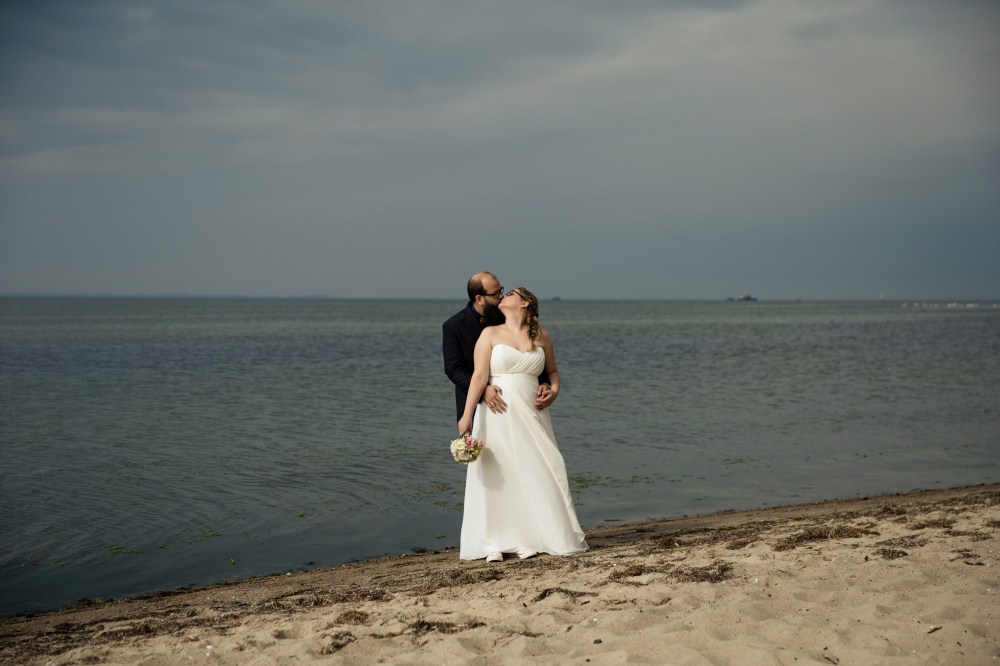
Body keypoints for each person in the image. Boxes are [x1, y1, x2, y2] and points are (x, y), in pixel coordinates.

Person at [456, 287, 588, 562]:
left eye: (511, 292)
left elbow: (552, 372)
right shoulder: (490, 334)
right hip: (498, 413)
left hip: (532, 413)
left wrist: (553, 391)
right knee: (498, 472)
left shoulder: (542, 336)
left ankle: (526, 537)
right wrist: (467, 416)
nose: (503, 295)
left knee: (537, 467)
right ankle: (493, 542)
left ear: (524, 302)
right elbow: (479, 377)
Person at [442, 272, 553, 423]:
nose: (501, 296)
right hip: (475, 404)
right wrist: (484, 390)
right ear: (479, 299)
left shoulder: (508, 315)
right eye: (495, 294)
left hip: (522, 404)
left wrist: (545, 383)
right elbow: (453, 369)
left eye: (501, 290)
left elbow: (531, 354)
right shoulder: (454, 326)